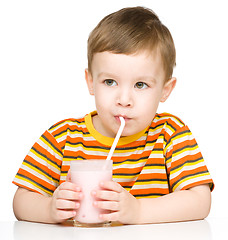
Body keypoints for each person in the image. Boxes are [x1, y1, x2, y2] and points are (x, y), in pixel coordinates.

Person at [13, 6, 214, 225]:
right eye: (110, 82)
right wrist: (49, 209)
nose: (124, 99)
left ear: (166, 89)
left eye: (140, 84)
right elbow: (21, 201)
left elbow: (200, 200)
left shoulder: (169, 134)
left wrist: (138, 211)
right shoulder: (62, 138)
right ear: (91, 82)